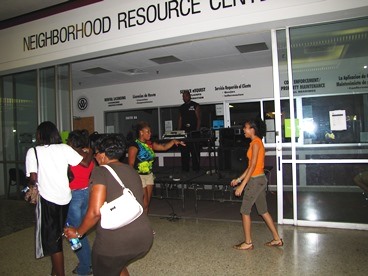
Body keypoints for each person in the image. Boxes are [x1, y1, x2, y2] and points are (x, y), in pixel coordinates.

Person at [64, 134, 153, 276]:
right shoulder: (132, 170)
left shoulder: (100, 171)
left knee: (106, 265)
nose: (95, 157)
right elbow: (142, 200)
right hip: (144, 237)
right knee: (118, 266)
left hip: (115, 243)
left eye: (97, 154)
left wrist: (78, 232)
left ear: (103, 155)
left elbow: (95, 212)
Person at [25, 121, 89, 276]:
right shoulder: (65, 148)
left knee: (53, 242)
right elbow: (85, 162)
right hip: (66, 198)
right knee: (60, 233)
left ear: (40, 135)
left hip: (47, 200)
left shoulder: (33, 151)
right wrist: (89, 150)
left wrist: (30, 186)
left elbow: (33, 178)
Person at [230, 118, 283, 250]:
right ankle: (277, 239)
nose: (243, 130)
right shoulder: (257, 142)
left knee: (244, 211)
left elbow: (253, 166)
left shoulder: (255, 143)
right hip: (260, 179)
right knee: (263, 211)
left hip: (255, 181)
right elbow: (250, 166)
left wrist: (242, 186)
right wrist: (239, 179)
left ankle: (248, 243)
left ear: (252, 129)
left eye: (246, 127)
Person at [128, 121, 185, 214]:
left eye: (150, 132)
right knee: (144, 203)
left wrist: (173, 141)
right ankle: (137, 221)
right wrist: (131, 179)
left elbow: (163, 147)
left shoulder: (150, 144)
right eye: (148, 132)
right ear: (141, 132)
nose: (150, 134)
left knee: (147, 203)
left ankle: (144, 223)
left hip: (149, 175)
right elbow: (130, 164)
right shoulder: (134, 145)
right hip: (138, 176)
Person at [66, 130, 94, 275]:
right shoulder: (88, 154)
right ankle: (87, 262)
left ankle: (85, 266)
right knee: (80, 231)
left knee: (74, 233)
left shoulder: (71, 155)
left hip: (74, 195)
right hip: (86, 193)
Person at [178, 90, 201, 172]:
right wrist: (179, 132)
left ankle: (196, 169)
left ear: (189, 96)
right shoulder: (181, 107)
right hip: (184, 133)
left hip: (194, 133)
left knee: (195, 152)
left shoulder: (195, 105)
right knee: (184, 153)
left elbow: (198, 119)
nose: (184, 98)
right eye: (183, 96)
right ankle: (185, 169)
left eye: (185, 96)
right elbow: (180, 119)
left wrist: (197, 131)